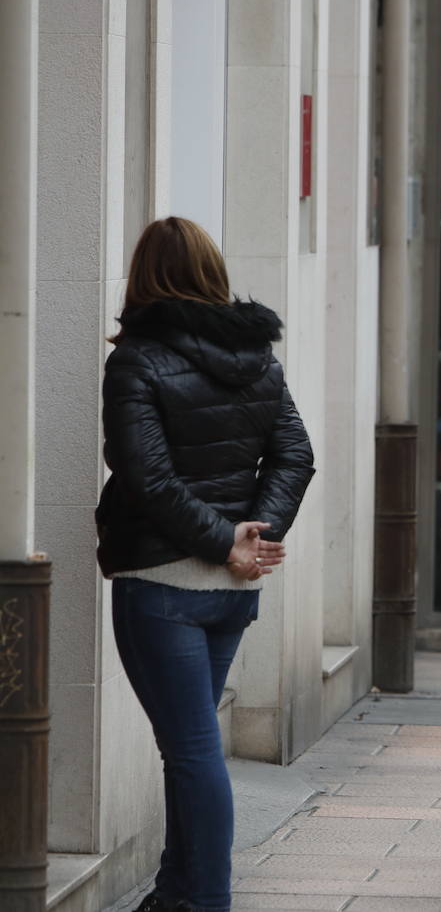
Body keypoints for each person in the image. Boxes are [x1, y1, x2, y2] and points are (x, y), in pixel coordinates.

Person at [96, 217, 315, 912]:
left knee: (190, 753)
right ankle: (175, 892)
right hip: (229, 592)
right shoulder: (257, 359)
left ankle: (208, 900)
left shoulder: (136, 360)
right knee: (187, 749)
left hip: (163, 586)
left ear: (143, 278)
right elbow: (295, 457)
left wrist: (227, 541)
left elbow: (146, 480)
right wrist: (251, 538)